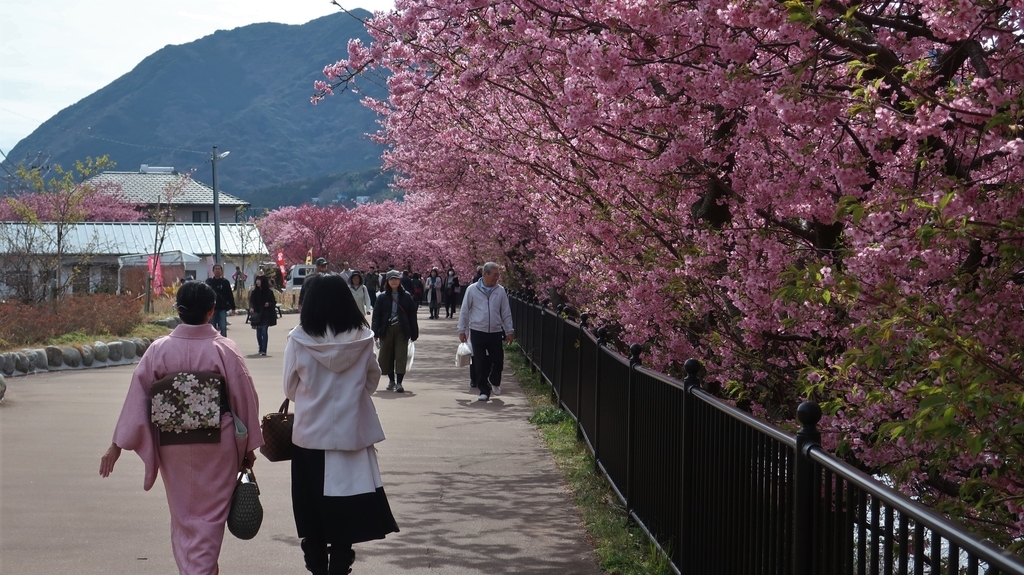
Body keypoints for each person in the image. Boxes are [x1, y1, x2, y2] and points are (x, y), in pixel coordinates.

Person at [99, 281, 263, 575]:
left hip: (172, 444)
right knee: (209, 519)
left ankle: (195, 570)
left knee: (184, 517)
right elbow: (244, 398)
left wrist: (116, 445)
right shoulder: (224, 349)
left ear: (178, 310)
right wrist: (249, 447)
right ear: (212, 311)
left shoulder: (158, 349)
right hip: (218, 444)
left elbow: (138, 397)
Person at [283, 274, 399, 575]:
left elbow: (289, 388)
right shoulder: (362, 337)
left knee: (312, 508)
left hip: (310, 434)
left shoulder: (299, 338)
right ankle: (340, 563)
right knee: (346, 506)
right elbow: (373, 379)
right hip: (352, 434)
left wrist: (312, 398)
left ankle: (317, 566)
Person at [458, 262, 515, 402]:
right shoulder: (472, 290)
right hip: (478, 330)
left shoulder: (500, 290)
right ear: (485, 274)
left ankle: (494, 380)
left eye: (498, 275)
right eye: (494, 275)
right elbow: (465, 310)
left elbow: (506, 312)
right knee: (480, 361)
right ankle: (483, 390)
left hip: (495, 331)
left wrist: (509, 330)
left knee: (498, 360)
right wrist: (462, 329)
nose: (497, 278)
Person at [370, 270, 418, 393]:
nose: (394, 281)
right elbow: (376, 315)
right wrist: (375, 331)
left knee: (400, 355)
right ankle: (391, 380)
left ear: (400, 280)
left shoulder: (406, 296)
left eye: (396, 279)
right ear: (387, 281)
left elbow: (412, 315)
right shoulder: (382, 297)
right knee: (387, 355)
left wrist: (414, 332)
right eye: (391, 279)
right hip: (386, 329)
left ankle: (399, 382)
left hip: (402, 329)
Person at [249, 275, 278, 356]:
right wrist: (251, 308)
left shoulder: (269, 292)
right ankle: (260, 346)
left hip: (266, 315)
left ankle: (264, 349)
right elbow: (251, 301)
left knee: (264, 331)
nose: (257, 282)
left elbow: (274, 302)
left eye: (259, 280)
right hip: (257, 315)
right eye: (257, 280)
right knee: (258, 333)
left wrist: (269, 304)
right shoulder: (254, 292)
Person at [206, 264, 236, 337]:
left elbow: (229, 295)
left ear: (221, 271)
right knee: (212, 327)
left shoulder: (225, 282)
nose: (217, 271)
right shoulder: (209, 282)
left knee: (223, 327)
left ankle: (223, 341)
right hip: (212, 308)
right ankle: (213, 342)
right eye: (216, 269)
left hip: (222, 308)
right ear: (213, 271)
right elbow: (205, 295)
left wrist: (233, 308)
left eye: (219, 269)